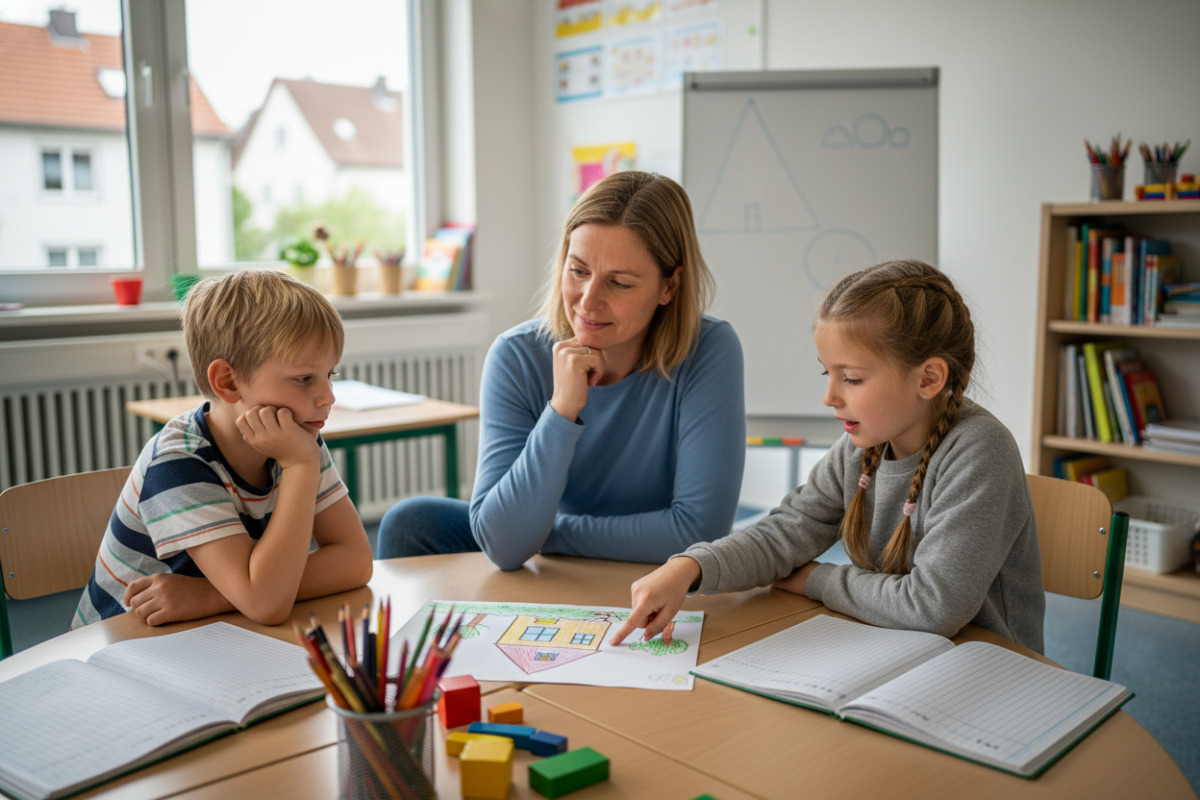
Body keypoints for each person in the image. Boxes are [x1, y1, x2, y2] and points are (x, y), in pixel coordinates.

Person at [611, 259, 1045, 653]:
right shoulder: (862, 449)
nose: (829, 396)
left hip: (988, 669)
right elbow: (784, 535)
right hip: (893, 646)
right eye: (828, 373)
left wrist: (815, 579)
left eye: (851, 378)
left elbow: (932, 607)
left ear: (929, 377)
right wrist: (690, 567)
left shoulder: (980, 452)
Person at [376, 171, 745, 570]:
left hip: (644, 565)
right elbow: (503, 545)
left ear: (669, 286)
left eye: (619, 283)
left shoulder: (709, 348)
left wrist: (548, 534)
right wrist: (562, 409)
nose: (588, 301)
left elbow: (698, 531)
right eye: (579, 270)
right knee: (411, 523)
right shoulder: (516, 356)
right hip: (543, 550)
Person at [73, 270, 374, 628]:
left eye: (330, 375)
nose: (328, 398)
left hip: (211, 632)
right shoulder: (178, 462)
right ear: (228, 381)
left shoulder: (297, 441)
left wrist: (209, 597)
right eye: (304, 378)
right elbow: (266, 603)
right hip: (125, 646)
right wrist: (300, 468)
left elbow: (355, 561)